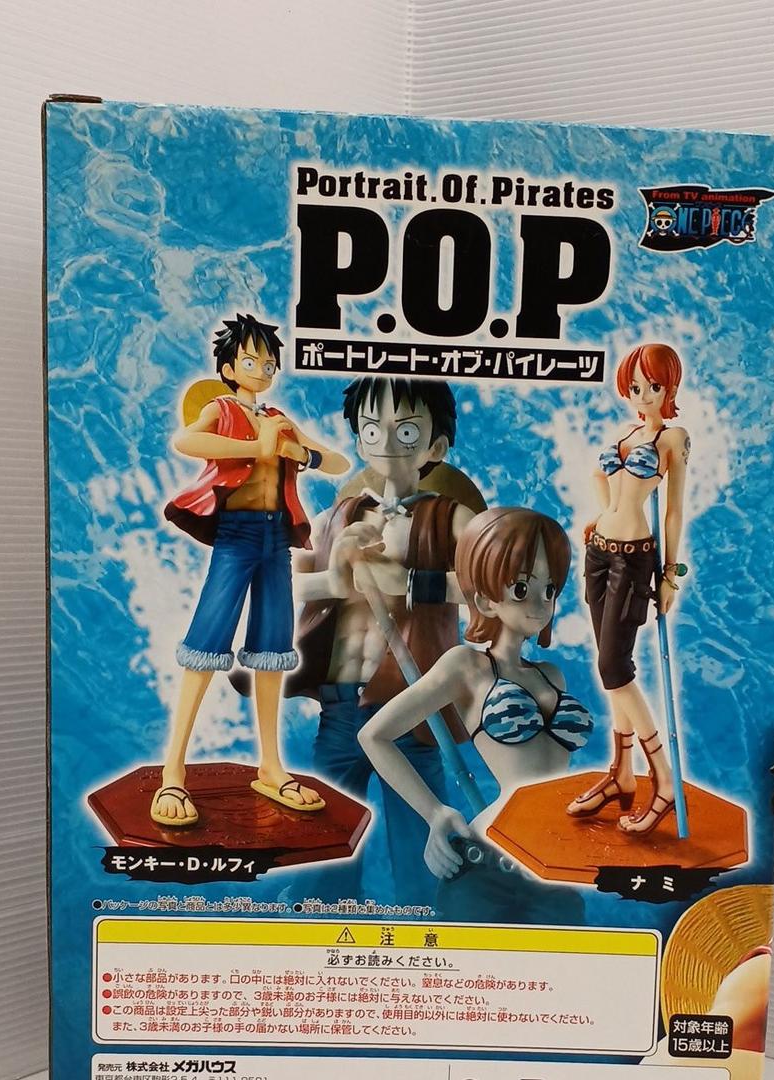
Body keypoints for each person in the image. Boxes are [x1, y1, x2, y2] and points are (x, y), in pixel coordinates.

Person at [151, 313, 349, 827]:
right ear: (228, 368)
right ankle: (173, 770)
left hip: (276, 540)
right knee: (205, 644)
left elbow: (338, 463)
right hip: (236, 538)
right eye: (250, 360)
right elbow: (187, 442)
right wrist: (255, 448)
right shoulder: (220, 409)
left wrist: (298, 452)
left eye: (269, 363)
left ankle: (271, 766)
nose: (262, 369)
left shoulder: (278, 417)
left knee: (272, 650)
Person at [286, 376, 477, 905]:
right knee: (322, 846)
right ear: (358, 438)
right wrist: (336, 576)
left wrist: (409, 582)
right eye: (373, 429)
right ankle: (317, 932)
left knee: (426, 855)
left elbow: (491, 589)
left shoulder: (450, 518)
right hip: (341, 708)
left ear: (435, 446)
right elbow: (283, 582)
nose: (388, 441)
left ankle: (429, 933)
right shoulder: (338, 518)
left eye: (407, 430)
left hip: (411, 711)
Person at [359, 507, 593, 884]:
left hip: (554, 857)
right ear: (484, 600)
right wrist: (434, 813)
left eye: (549, 589)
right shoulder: (466, 666)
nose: (539, 605)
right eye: (521, 589)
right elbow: (373, 736)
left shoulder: (551, 676)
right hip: (491, 854)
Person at [568, 342, 689, 835]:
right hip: (598, 552)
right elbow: (599, 474)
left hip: (634, 560)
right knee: (610, 662)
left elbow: (674, 510)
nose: (642, 395)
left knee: (614, 667)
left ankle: (663, 779)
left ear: (669, 386)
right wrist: (602, 513)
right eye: (635, 386)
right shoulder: (628, 433)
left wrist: (670, 573)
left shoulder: (672, 438)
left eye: (652, 386)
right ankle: (621, 774)